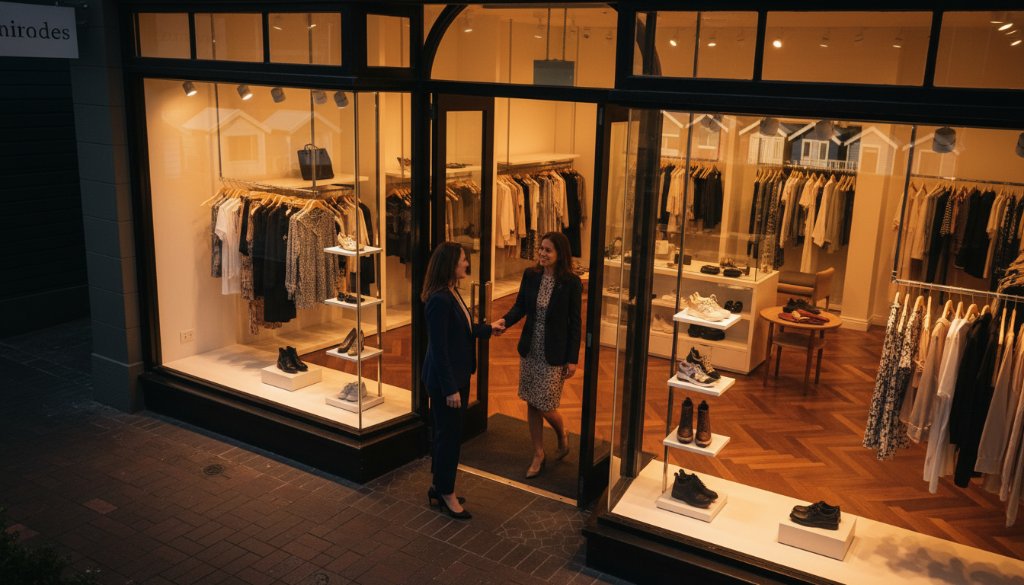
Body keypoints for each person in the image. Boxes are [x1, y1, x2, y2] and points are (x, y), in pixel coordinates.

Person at [421, 242, 502, 519]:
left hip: (454, 377)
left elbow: (461, 330)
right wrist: (450, 388)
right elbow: (440, 348)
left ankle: (439, 487)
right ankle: (446, 493)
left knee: (448, 435)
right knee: (449, 438)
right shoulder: (439, 300)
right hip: (447, 381)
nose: (467, 264)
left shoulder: (451, 292)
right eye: (463, 260)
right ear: (450, 265)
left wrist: (488, 329)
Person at [492, 232, 583, 478]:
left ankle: (562, 433)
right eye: (541, 249)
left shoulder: (571, 283)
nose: (542, 254)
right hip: (531, 348)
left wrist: (573, 359)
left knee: (545, 404)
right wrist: (504, 321)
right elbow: (520, 305)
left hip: (555, 352)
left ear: (559, 254)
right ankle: (538, 453)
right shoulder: (531, 276)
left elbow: (575, 324)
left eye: (548, 250)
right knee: (532, 401)